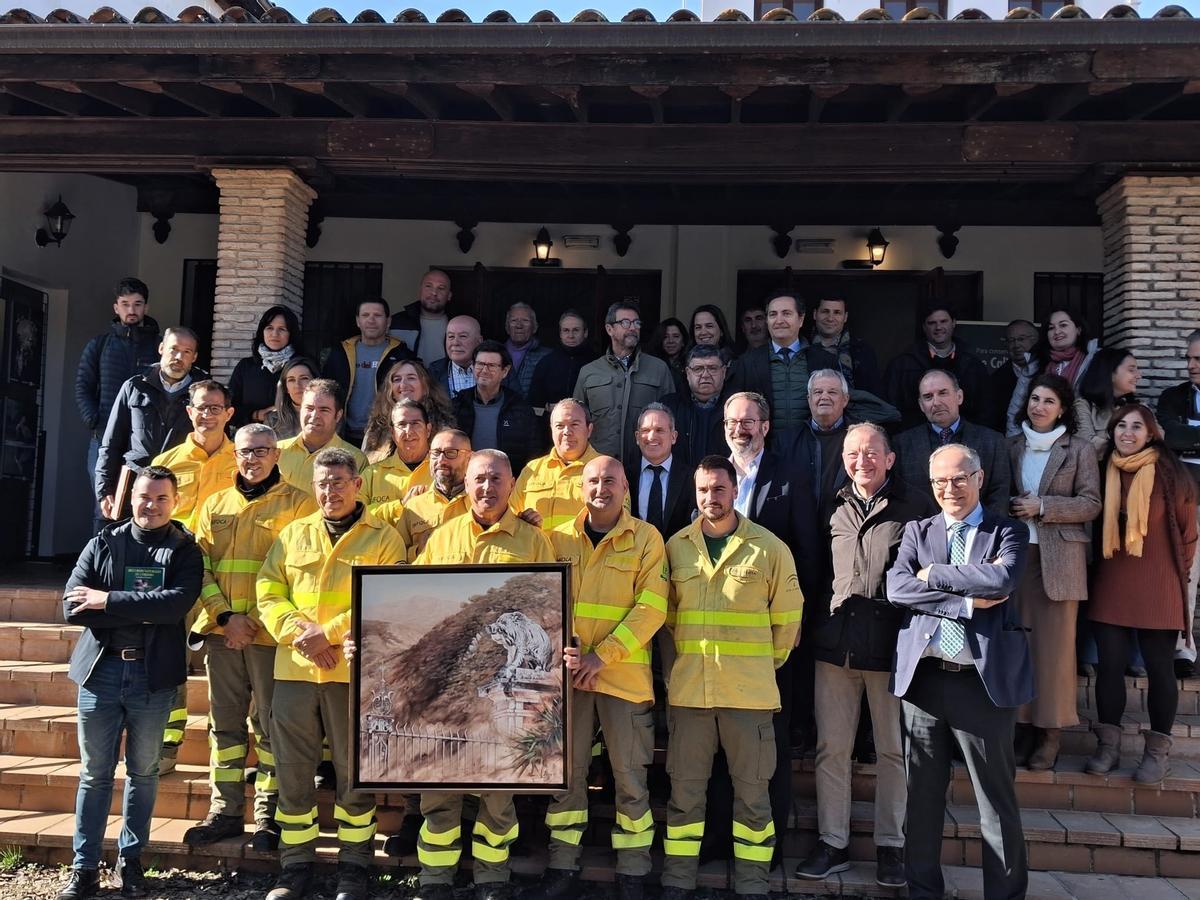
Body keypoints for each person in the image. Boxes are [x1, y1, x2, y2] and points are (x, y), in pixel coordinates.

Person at [257, 448, 407, 900]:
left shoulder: (382, 537)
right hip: (296, 670)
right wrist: (298, 632)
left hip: (353, 675)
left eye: (339, 482)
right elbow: (269, 589)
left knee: (352, 772)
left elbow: (386, 598)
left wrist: (330, 634)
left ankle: (354, 867)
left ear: (358, 485)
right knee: (294, 771)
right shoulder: (293, 534)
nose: (330, 491)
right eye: (322, 483)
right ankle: (294, 865)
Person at [886, 443, 1031, 900]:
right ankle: (922, 891)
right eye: (939, 481)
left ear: (980, 477)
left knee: (995, 803)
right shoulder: (917, 530)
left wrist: (934, 575)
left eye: (958, 478)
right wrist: (964, 599)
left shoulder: (1007, 530)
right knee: (922, 801)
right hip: (925, 684)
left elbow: (1002, 580)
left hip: (981, 685)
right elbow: (897, 587)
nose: (949, 489)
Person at [412, 450, 554, 900]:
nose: (487, 487)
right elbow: (422, 604)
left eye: (496, 478)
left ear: (512, 485)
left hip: (504, 688)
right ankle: (435, 877)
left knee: (498, 783)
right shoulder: (443, 537)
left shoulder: (534, 542)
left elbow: (547, 609)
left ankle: (492, 878)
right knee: (442, 781)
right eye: (478, 479)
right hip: (452, 683)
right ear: (466, 483)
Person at [796, 423, 933, 888]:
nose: (861, 460)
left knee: (893, 751)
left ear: (890, 459)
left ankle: (891, 847)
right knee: (831, 749)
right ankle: (832, 842)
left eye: (871, 452)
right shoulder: (831, 506)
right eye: (853, 453)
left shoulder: (915, 508)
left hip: (892, 648)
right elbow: (815, 572)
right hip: (834, 645)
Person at [660, 455, 802, 900]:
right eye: (703, 490)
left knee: (754, 801)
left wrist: (758, 665)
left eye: (719, 489)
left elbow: (788, 624)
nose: (710, 498)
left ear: (735, 489)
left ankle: (753, 886)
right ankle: (678, 882)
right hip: (689, 695)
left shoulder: (770, 548)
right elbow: (664, 622)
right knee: (684, 795)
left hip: (750, 696)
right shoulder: (675, 547)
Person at [57, 466, 203, 900]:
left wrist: (108, 600)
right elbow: (71, 608)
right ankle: (83, 868)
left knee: (143, 773)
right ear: (130, 498)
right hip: (100, 675)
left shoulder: (184, 551)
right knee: (94, 775)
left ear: (174, 502)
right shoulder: (103, 543)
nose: (151, 505)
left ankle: (131, 861)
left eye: (161, 498)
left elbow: (175, 605)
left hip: (152, 677)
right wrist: (140, 607)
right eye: (144, 496)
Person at [534, 455, 667, 900]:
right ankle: (562, 865)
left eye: (610, 481)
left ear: (625, 487)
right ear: (580, 487)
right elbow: (542, 599)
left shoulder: (647, 539)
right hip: (567, 679)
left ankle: (633, 871)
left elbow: (652, 609)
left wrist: (601, 657)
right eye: (593, 481)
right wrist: (567, 654)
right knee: (567, 777)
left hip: (623, 679)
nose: (601, 489)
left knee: (630, 778)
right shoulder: (556, 539)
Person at [182, 424, 317, 851]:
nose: (252, 458)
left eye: (261, 451)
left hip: (270, 637)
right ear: (234, 454)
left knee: (270, 727)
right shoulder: (215, 504)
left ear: (277, 455)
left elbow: (297, 574)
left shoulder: (300, 505)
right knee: (224, 728)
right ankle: (223, 812)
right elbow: (198, 567)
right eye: (244, 451)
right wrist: (225, 617)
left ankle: (269, 817)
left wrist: (251, 621)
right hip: (222, 633)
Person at [718, 391, 819, 863]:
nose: (740, 430)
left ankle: (765, 845)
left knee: (767, 741)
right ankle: (719, 838)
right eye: (732, 422)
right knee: (718, 739)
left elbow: (807, 553)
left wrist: (796, 621)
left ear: (765, 426)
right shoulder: (712, 476)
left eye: (748, 422)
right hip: (715, 637)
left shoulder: (791, 477)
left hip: (768, 637)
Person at [1086, 404, 1198, 782]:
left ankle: (1157, 752)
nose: (1127, 432)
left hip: (1159, 583)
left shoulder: (1173, 475)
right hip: (1113, 581)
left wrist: (1176, 580)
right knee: (1110, 666)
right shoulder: (1103, 470)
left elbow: (1188, 535)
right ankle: (1108, 747)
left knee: (1160, 669)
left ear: (1151, 434)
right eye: (1121, 426)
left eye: (1137, 426)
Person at [1006, 373, 1101, 770]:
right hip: (1016, 559)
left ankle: (1052, 733)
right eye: (1034, 399)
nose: (1039, 406)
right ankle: (1023, 727)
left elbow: (1091, 503)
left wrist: (1043, 507)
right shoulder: (1011, 447)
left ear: (1062, 409)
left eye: (1048, 401)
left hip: (1060, 560)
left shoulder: (1078, 450)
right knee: (1019, 649)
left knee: (1057, 653)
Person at [75, 277, 161, 530]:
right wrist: (95, 420)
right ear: (116, 308)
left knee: (146, 504)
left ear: (146, 307)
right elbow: (82, 386)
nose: (131, 310)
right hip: (103, 440)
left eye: (137, 304)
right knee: (104, 505)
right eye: (125, 304)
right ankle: (100, 567)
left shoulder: (160, 346)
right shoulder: (100, 345)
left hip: (144, 441)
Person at [96, 327, 206, 522]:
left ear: (195, 357)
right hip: (135, 484)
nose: (179, 357)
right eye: (174, 349)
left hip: (183, 489)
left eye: (186, 352)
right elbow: (111, 443)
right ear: (162, 348)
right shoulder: (134, 387)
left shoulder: (204, 394)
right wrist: (104, 490)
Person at [894, 370, 1011, 517]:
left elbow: (999, 496)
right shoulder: (902, 445)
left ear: (959, 396)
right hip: (920, 535)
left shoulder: (993, 442)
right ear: (921, 405)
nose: (936, 402)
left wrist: (984, 535)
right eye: (928, 397)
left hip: (980, 535)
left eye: (943, 393)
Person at [575, 301, 675, 463]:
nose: (633, 328)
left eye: (637, 323)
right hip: (600, 467)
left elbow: (671, 419)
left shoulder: (659, 369)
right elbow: (577, 422)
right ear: (609, 329)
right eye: (625, 323)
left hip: (645, 466)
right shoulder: (589, 372)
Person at [1156, 329, 1200, 678]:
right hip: (1188, 499)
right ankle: (1182, 648)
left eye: (1198, 359)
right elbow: (1171, 436)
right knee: (1185, 574)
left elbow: (1186, 438)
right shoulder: (1173, 397)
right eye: (1188, 358)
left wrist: (1191, 437)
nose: (1191, 365)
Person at [883, 306, 992, 432]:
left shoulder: (973, 364)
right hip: (916, 442)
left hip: (967, 439)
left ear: (954, 323)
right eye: (932, 323)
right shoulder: (902, 365)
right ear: (924, 327)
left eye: (943, 321)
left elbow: (986, 409)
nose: (938, 327)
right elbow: (891, 409)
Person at [322, 298, 414, 446]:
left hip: (387, 435)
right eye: (365, 315)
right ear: (358, 321)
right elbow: (326, 391)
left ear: (388, 321)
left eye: (377, 315)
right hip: (343, 434)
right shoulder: (340, 353)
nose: (371, 320)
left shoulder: (402, 354)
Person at [149, 380, 237, 532]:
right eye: (201, 407)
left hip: (224, 549)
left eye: (215, 408)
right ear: (190, 412)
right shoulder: (164, 462)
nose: (206, 414)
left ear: (228, 414)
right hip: (176, 548)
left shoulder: (242, 461)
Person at [377, 428, 472, 561]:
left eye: (451, 453)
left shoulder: (478, 503)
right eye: (435, 453)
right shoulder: (414, 506)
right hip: (424, 581)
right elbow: (396, 557)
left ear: (469, 457)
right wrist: (418, 551)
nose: (441, 460)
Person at [727, 293, 810, 435]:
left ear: (801, 319)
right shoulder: (746, 363)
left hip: (810, 446)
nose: (779, 320)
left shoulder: (823, 360)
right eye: (772, 315)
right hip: (765, 447)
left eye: (786, 314)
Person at [513, 399, 603, 531]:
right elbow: (510, 517)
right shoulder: (532, 470)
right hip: (536, 550)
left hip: (584, 551)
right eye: (560, 426)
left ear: (589, 430)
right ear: (551, 430)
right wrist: (522, 521)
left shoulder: (606, 469)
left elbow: (616, 522)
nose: (567, 431)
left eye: (574, 424)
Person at [452, 341, 540, 475]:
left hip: (508, 483)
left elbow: (533, 452)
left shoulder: (520, 409)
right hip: (465, 481)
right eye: (480, 364)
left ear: (505, 371)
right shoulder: (457, 405)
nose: (484, 370)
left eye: (491, 365)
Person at [277, 379, 368, 497]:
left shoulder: (355, 459)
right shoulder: (276, 451)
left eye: (324, 410)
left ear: (338, 415)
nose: (314, 415)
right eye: (309, 408)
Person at [626, 404, 696, 540]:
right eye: (645, 430)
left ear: (674, 437)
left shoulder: (691, 478)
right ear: (637, 437)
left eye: (659, 430)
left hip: (677, 557)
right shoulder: (624, 476)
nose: (652, 436)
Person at [362, 359, 454, 460]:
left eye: (411, 378)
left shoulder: (443, 427)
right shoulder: (376, 427)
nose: (403, 384)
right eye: (397, 379)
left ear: (425, 386)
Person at [229, 306, 301, 429]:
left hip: (294, 438)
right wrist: (256, 414)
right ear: (262, 332)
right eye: (269, 328)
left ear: (291, 333)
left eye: (282, 329)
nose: (274, 334)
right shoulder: (246, 367)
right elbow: (229, 410)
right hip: (253, 440)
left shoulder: (302, 366)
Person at [662, 346, 731, 465]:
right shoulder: (668, 408)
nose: (705, 375)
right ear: (688, 373)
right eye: (698, 369)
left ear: (724, 372)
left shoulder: (738, 408)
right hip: (681, 481)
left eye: (712, 368)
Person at [361, 398, 433, 506]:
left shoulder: (442, 470)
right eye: (402, 424)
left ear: (428, 430)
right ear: (392, 433)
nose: (408, 431)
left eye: (415, 424)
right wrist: (401, 505)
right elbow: (358, 516)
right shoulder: (372, 475)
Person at [805, 297, 881, 395]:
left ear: (845, 317)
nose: (830, 318)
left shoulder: (862, 349)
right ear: (815, 314)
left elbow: (873, 392)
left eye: (837, 312)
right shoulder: (801, 347)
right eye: (825, 311)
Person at [1075, 347, 1141, 459]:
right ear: (1110, 373)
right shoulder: (1084, 406)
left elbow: (1158, 438)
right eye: (1131, 370)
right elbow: (1088, 446)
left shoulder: (1139, 408)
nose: (1138, 376)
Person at [528, 310, 595, 415]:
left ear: (585, 332)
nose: (571, 335)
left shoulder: (596, 363)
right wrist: (549, 410)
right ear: (560, 334)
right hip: (551, 426)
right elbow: (534, 405)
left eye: (576, 330)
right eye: (566, 330)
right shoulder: (546, 363)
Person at [389, 268, 453, 367]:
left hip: (444, 382)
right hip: (406, 381)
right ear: (420, 290)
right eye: (428, 286)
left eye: (441, 288)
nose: (434, 293)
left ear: (449, 295)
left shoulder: (458, 324)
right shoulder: (395, 322)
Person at [992, 319, 1039, 436]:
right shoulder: (995, 380)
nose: (1016, 345)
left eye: (1021, 339)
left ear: (1035, 340)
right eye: (1011, 341)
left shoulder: (1049, 370)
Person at [502, 302, 553, 399]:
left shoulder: (548, 357)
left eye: (525, 320)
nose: (519, 325)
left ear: (535, 327)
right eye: (514, 320)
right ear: (507, 327)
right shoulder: (495, 354)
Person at [1038, 308, 1098, 388]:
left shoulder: (1095, 359)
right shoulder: (1037, 364)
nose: (1057, 332)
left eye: (1063, 325)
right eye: (1051, 328)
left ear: (1078, 330)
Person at [427, 315, 481, 399]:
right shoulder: (432, 373)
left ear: (479, 341)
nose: (455, 342)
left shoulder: (495, 371)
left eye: (463, 336)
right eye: (451, 337)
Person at [266, 356, 318, 442]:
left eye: (304, 378)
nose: (297, 385)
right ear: (285, 388)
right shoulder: (273, 420)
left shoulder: (328, 415)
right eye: (291, 380)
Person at [650, 317, 689, 392]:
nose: (670, 341)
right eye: (665, 337)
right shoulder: (652, 364)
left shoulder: (691, 364)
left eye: (676, 336)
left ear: (683, 341)